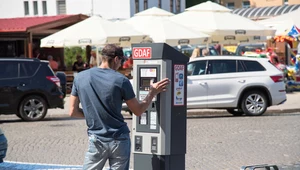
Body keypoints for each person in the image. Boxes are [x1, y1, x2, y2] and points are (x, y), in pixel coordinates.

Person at [69, 44, 169, 170]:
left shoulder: (80, 78)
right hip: (119, 138)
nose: (121, 64)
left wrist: (93, 113)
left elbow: (72, 111)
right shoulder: (121, 80)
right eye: (121, 61)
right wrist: (152, 93)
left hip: (96, 139)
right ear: (116, 59)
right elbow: (138, 111)